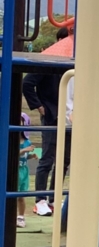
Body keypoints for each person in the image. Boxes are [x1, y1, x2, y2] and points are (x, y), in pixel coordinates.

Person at [22, 66, 71, 217]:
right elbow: (27, 83)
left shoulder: (73, 65)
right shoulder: (49, 66)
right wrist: (39, 106)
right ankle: (40, 199)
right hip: (52, 116)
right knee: (48, 158)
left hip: (69, 116)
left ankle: (53, 197)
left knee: (64, 160)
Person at [17, 114, 35, 229]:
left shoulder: (27, 142)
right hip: (14, 171)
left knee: (21, 196)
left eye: (21, 121)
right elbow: (12, 155)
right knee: (11, 196)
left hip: (23, 171)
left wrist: (31, 156)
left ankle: (21, 217)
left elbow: (24, 157)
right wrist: (23, 150)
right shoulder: (11, 140)